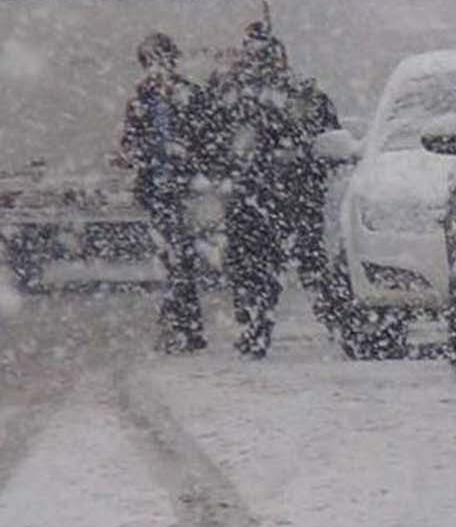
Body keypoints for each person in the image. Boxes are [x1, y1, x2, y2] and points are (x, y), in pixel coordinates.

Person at [202, 22, 343, 357]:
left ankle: (260, 325)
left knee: (260, 269)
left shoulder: (234, 96)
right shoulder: (296, 93)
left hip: (261, 196)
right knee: (301, 266)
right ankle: (335, 323)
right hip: (283, 196)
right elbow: (327, 140)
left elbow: (210, 143)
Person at [120, 32, 208, 354]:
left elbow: (210, 140)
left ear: (172, 61)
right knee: (175, 257)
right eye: (149, 62)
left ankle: (181, 324)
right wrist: (137, 155)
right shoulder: (140, 100)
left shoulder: (192, 95)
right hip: (158, 190)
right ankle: (184, 325)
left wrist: (188, 156)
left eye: (161, 60)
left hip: (188, 191)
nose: (155, 69)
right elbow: (129, 142)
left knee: (180, 257)